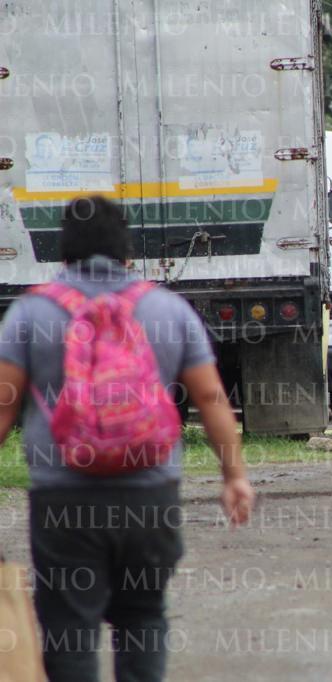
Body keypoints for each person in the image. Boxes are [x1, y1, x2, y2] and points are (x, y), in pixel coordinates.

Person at [0, 196, 254, 682]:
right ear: (127, 251)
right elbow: (211, 398)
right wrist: (234, 477)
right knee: (142, 617)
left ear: (63, 251)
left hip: (63, 501)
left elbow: (3, 407)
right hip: (149, 497)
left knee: (69, 630)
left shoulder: (31, 312)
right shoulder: (168, 309)